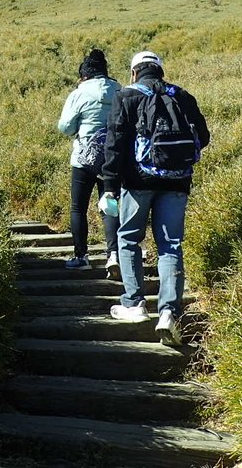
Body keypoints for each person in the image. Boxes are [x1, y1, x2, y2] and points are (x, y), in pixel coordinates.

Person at [101, 50, 209, 345]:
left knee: (129, 239)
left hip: (137, 182)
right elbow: (204, 136)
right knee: (170, 245)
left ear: (134, 72)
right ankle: (169, 313)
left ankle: (134, 303)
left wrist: (110, 184)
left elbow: (115, 143)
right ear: (160, 71)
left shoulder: (127, 95)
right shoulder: (182, 95)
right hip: (177, 182)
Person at [57, 49, 122, 274]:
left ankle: (81, 256)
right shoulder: (119, 90)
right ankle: (113, 254)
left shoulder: (79, 93)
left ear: (84, 74)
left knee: (78, 208)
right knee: (110, 206)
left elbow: (65, 127)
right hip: (112, 158)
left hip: (84, 156)